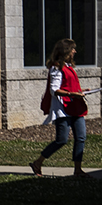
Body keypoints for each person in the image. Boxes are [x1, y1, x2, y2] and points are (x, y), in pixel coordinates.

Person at [29, 38, 89, 178]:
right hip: (63, 108)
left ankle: (78, 170)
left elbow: (70, 86)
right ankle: (38, 162)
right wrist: (72, 94)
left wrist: (81, 91)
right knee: (62, 140)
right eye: (72, 49)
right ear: (66, 51)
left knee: (81, 137)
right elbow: (54, 89)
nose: (75, 51)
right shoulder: (56, 68)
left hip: (75, 106)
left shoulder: (69, 67)